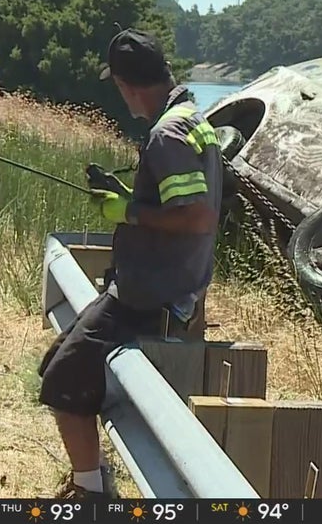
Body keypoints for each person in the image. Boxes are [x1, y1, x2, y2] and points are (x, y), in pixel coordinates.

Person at [37, 28, 223, 499]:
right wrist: (131, 200)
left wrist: (129, 212)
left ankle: (91, 492)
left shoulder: (166, 135)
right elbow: (188, 200)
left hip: (148, 296)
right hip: (165, 288)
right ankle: (93, 477)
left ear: (126, 85)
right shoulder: (191, 119)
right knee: (57, 363)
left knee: (62, 380)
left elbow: (197, 217)